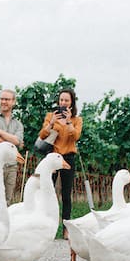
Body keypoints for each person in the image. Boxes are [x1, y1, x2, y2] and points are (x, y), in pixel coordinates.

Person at [38, 88, 82, 234]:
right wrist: (51, 123)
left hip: (68, 157)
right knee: (46, 191)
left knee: (66, 194)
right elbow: (42, 135)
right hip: (52, 157)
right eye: (61, 100)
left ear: (71, 103)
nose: (63, 103)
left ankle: (66, 228)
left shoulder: (77, 119)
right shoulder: (51, 116)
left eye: (66, 100)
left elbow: (75, 136)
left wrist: (68, 122)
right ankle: (45, 226)